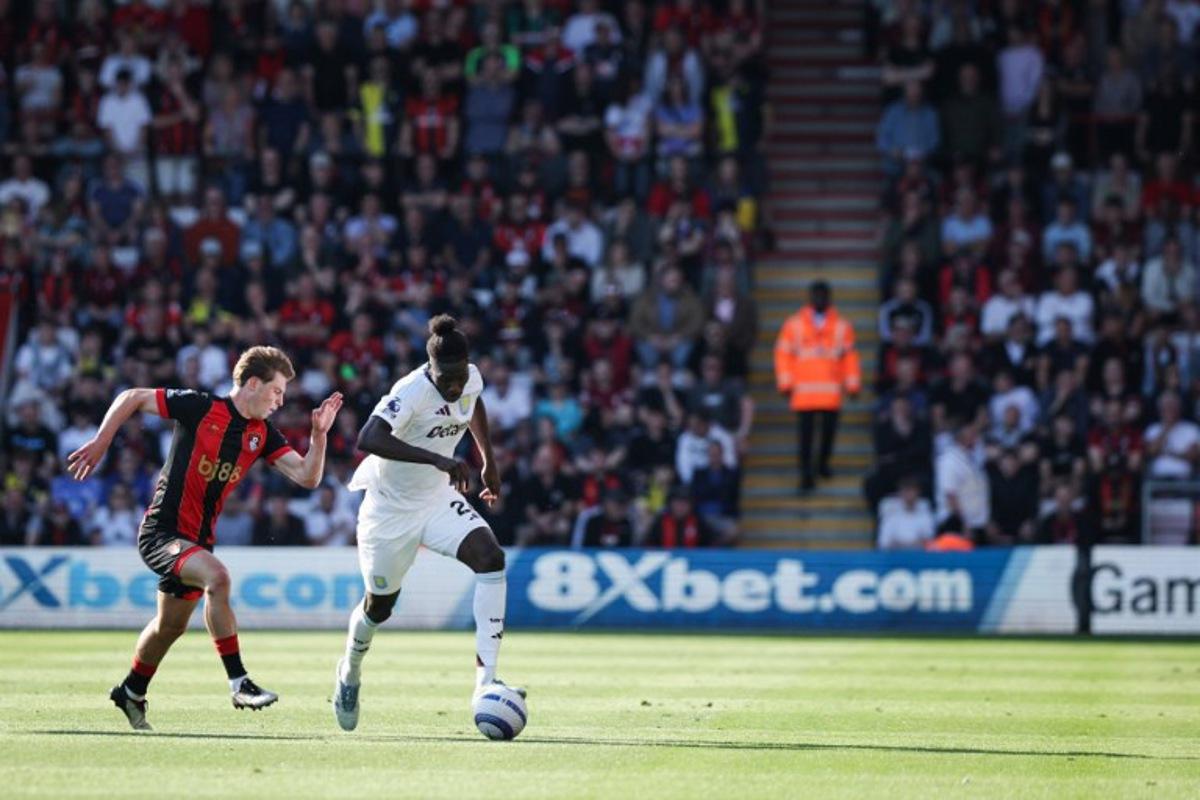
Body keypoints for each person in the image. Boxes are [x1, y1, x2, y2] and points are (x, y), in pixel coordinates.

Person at [66, 347, 343, 731]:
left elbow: (308, 477)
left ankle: (130, 691)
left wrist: (318, 436)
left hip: (198, 541)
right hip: (162, 532)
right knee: (219, 578)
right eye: (277, 391)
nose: (281, 401)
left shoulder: (261, 435)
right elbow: (132, 397)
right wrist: (101, 443)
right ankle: (239, 681)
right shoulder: (199, 407)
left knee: (169, 627)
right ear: (252, 383)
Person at [335, 315, 522, 732]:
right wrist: (438, 458)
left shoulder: (470, 377)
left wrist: (489, 461)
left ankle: (486, 683)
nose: (454, 386)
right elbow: (368, 437)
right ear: (430, 369)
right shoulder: (412, 389)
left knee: (490, 557)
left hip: (437, 499)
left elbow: (474, 406)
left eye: (458, 376)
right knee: (379, 607)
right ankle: (349, 671)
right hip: (389, 510)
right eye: (445, 379)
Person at [774, 281, 861, 491]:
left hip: (830, 391)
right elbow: (782, 355)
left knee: (828, 433)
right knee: (805, 437)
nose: (820, 300)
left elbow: (850, 357)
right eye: (816, 295)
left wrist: (852, 385)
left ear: (829, 299)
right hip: (804, 392)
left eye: (824, 296)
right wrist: (786, 383)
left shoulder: (842, 326)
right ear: (810, 298)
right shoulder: (793, 325)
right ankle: (806, 473)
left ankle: (823, 464)